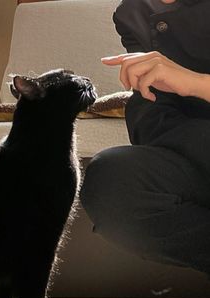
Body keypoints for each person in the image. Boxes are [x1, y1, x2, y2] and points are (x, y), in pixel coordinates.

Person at [80, 0, 210, 277]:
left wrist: (194, 83)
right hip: (193, 147)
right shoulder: (132, 13)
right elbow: (156, 105)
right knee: (113, 183)